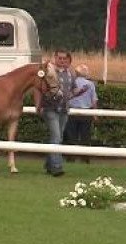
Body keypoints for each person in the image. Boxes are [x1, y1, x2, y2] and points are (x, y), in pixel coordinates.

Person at [40, 49, 80, 177]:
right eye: (60, 58)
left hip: (64, 109)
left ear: (68, 60)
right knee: (56, 137)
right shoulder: (49, 71)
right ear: (55, 58)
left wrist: (73, 94)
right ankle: (57, 166)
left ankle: (49, 163)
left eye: (64, 59)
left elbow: (74, 89)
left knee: (57, 137)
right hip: (51, 109)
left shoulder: (71, 74)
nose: (62, 61)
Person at [66, 64, 98, 163]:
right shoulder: (90, 84)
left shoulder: (71, 83)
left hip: (73, 112)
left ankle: (71, 158)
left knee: (72, 136)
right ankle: (85, 158)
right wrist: (95, 114)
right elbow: (94, 101)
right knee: (85, 136)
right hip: (86, 112)